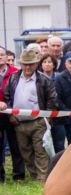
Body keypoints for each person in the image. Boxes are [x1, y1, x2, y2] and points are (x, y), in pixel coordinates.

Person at [3, 49, 58, 183]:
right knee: (25, 152)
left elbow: (52, 101)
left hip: (38, 122)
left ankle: (42, 178)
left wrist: (47, 119)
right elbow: (7, 97)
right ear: (20, 64)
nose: (28, 67)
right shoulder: (13, 78)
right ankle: (34, 175)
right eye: (25, 64)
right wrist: (11, 116)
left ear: (36, 64)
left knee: (41, 151)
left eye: (31, 64)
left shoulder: (44, 80)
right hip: (18, 122)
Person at [0, 45, 24, 183]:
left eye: (2, 54)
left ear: (6, 56)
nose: (0, 57)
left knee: (16, 145)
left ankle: (19, 175)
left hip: (13, 114)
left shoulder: (16, 72)